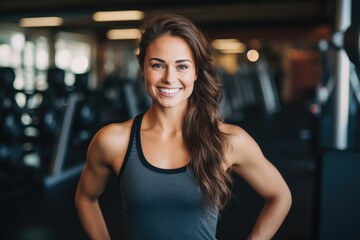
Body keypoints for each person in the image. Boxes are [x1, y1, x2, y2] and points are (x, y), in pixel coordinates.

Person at [75, 13, 292, 240]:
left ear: (196, 72)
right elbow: (85, 198)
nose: (169, 78)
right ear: (143, 70)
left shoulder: (227, 140)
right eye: (158, 65)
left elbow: (280, 196)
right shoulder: (114, 140)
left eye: (182, 66)